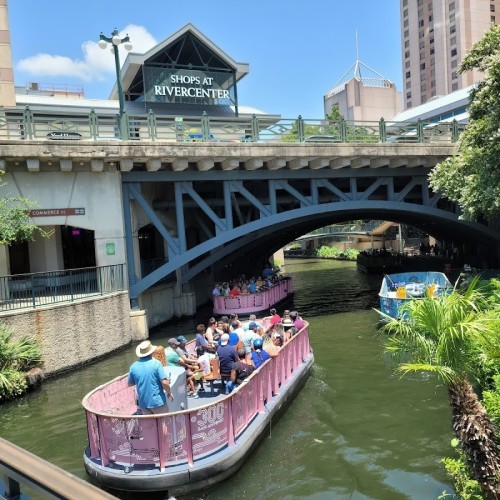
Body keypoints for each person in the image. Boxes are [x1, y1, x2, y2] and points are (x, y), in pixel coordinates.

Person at [128, 340, 173, 414]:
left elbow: (130, 384)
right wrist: (169, 392)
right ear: (152, 352)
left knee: (150, 425)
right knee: (164, 423)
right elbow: (164, 382)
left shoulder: (133, 367)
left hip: (144, 403)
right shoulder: (156, 364)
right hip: (158, 402)